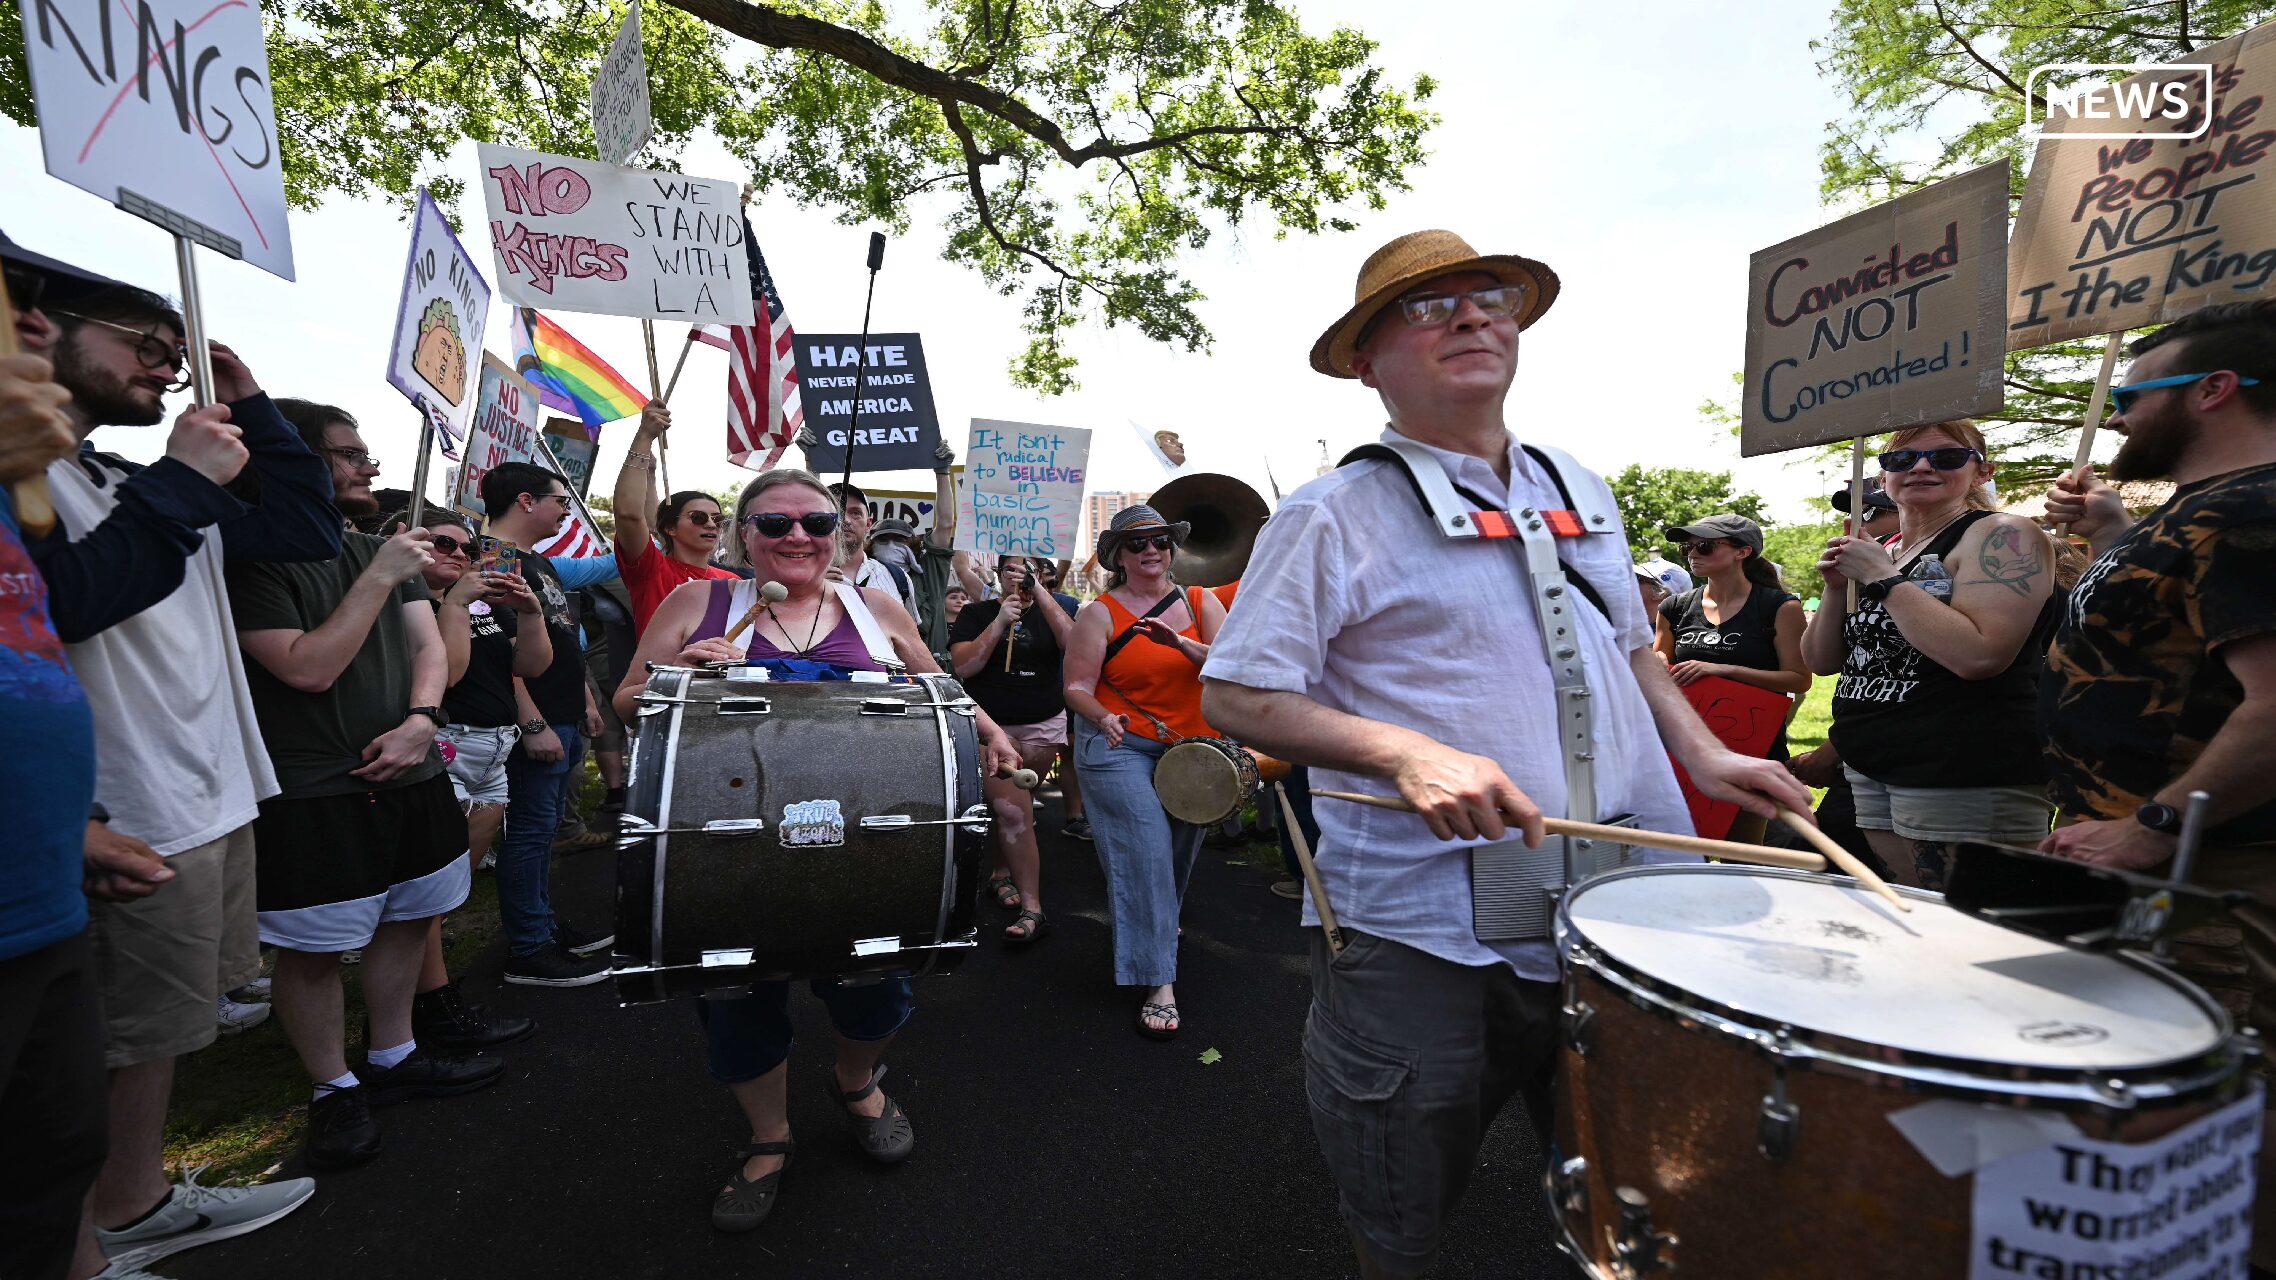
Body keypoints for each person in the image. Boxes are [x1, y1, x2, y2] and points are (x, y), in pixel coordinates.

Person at [1197, 229, 1812, 1278]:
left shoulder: (1579, 482)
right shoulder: (1328, 513)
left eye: (1487, 297)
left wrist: (1705, 757)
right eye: (1430, 307)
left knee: (1633, 1181)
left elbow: (1631, 651)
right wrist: (1399, 752)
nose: (1473, 316)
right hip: (1424, 927)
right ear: (1365, 361)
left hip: (1622, 903)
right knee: (1400, 1193)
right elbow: (1235, 690)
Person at [5, 242, 335, 1278]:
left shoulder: (129, 476)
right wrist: (184, 483)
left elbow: (302, 525)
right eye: (145, 344)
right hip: (131, 796)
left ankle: (133, 1195)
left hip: (210, 783)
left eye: (178, 353)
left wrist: (256, 409)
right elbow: (75, 601)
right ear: (45, 328)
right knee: (103, 1045)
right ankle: (90, 1234)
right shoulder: (33, 481)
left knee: (160, 1030)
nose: (165, 366)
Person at [611, 467, 1016, 1234]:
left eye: (815, 523)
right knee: (736, 997)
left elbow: (942, 694)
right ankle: (771, 1139)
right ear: (744, 536)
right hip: (730, 837)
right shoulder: (700, 603)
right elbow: (629, 699)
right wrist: (679, 674)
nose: (797, 536)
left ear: (841, 534)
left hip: (869, 840)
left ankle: (855, 1083)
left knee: (878, 984)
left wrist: (990, 734)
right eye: (774, 524)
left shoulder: (877, 608)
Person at [2033, 302, 2276, 1270]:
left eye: (2134, 394)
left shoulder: (2254, 506)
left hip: (2211, 874)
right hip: (2150, 865)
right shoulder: (2199, 508)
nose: (2119, 414)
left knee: (2205, 1140)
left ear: (2211, 390)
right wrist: (2114, 529)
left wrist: (2154, 823)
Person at [227, 401, 503, 1171]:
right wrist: (381, 572)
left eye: (365, 453)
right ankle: (333, 1087)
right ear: (285, 461)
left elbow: (427, 649)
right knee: (313, 948)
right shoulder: (251, 559)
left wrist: (422, 719)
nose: (368, 467)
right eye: (346, 454)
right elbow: (308, 665)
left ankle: (394, 1054)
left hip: (413, 769)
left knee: (410, 917)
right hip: (316, 786)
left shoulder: (373, 550)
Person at [0, 327, 154, 1280]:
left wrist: (72, 824)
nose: (38, 324)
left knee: (48, 1168)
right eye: (12, 297)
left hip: (43, 884)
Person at [1801, 419, 2060, 888]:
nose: (1920, 466)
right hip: (1874, 764)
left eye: (1945, 457)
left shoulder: (2002, 533)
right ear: (1883, 478)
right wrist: (1837, 588)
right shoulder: (1885, 552)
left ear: (1983, 472)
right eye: (1901, 459)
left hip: (1960, 766)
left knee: (1973, 928)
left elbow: (1980, 655)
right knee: (1918, 911)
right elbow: (1822, 662)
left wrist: (1883, 580)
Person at [1062, 505, 1228, 1039]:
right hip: (1118, 746)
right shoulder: (1100, 613)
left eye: (1159, 540)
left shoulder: (1203, 603)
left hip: (1193, 749)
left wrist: (1181, 643)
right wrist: (1102, 716)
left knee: (1177, 850)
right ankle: (1157, 979)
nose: (1150, 550)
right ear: (1118, 556)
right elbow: (1076, 689)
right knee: (1146, 849)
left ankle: (1157, 925)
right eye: (1137, 544)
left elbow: (1233, 669)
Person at [401, 506, 544, 1053]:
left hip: (493, 747)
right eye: (444, 543)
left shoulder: (478, 603)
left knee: (447, 886)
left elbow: (528, 668)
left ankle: (424, 992)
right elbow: (451, 675)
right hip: (445, 744)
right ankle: (433, 1006)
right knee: (427, 889)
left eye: (467, 547)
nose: (460, 555)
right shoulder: (414, 604)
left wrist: (529, 615)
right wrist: (456, 602)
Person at [477, 461, 616, 987]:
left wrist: (582, 698)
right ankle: (529, 947)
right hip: (535, 723)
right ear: (527, 501)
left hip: (562, 716)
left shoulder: (539, 562)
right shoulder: (495, 557)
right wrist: (530, 719)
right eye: (560, 500)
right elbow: (498, 650)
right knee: (530, 835)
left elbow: (559, 635)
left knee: (541, 832)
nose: (566, 511)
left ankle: (544, 926)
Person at [948, 554, 1081, 941]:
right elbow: (965, 668)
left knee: (1017, 807)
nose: (1019, 576)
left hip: (1043, 725)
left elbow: (1074, 645)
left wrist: (1038, 594)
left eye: (1030, 570)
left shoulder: (1062, 607)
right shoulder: (977, 613)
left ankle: (1000, 874)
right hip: (992, 730)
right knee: (1013, 809)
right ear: (998, 574)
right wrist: (1000, 622)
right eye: (1011, 569)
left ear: (1042, 575)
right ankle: (1032, 908)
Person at [1656, 513, 1811, 842]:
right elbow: (1661, 668)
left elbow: (1799, 679)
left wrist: (1723, 669)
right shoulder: (1674, 607)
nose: (1693, 553)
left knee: (1741, 855)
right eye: (1688, 547)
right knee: (1683, 851)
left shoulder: (1779, 606)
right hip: (1685, 744)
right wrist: (1657, 663)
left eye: (1706, 546)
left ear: (1743, 552)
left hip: (1752, 744)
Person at [612, 402, 737, 634]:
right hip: (661, 671)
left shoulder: (731, 581)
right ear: (670, 528)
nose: (711, 524)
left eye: (718, 519)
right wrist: (644, 436)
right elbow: (629, 514)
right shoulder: (652, 571)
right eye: (698, 517)